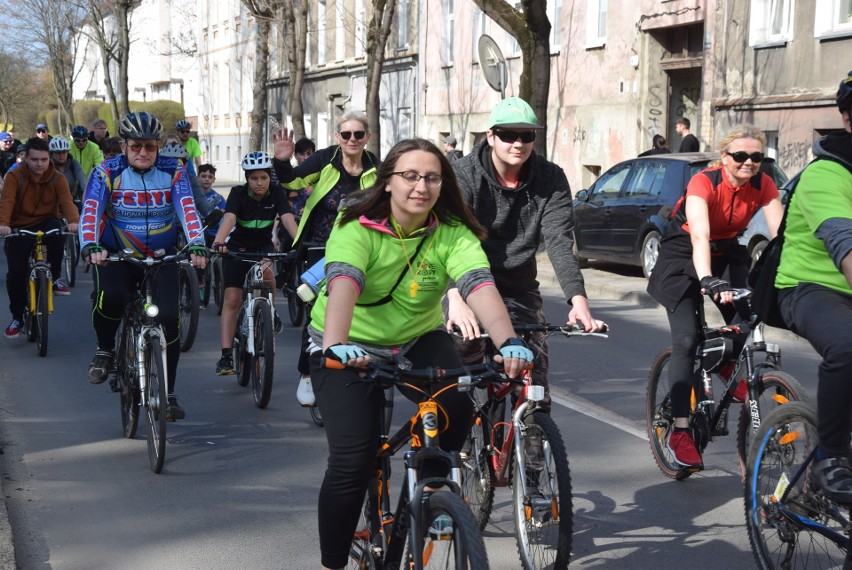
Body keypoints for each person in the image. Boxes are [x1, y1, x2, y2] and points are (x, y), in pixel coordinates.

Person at [307, 138, 533, 570]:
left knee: (457, 404)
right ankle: (332, 563)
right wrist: (336, 344)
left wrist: (508, 342)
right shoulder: (356, 225)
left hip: (415, 339)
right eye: (410, 176)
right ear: (387, 182)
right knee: (352, 462)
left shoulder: (450, 230)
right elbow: (344, 283)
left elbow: (479, 285)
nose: (421, 186)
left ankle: (431, 494)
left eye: (432, 177)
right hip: (347, 343)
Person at [446, 96, 606, 412]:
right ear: (490, 136)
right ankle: (462, 428)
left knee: (535, 380)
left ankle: (533, 453)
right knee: (464, 349)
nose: (518, 143)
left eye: (527, 135)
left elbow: (559, 241)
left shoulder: (550, 178)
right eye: (508, 135)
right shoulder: (463, 174)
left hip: (519, 288)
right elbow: (452, 239)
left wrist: (579, 302)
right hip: (467, 282)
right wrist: (454, 296)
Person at [646, 125, 784, 470]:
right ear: (724, 158)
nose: (748, 162)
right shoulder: (703, 182)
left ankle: (724, 362)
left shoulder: (763, 183)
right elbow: (699, 236)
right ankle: (679, 432)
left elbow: (781, 234)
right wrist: (707, 279)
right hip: (682, 252)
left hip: (726, 250)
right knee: (687, 340)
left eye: (756, 157)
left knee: (750, 317)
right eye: (740, 156)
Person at [79, 111, 208, 421]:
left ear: (159, 145)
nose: (143, 153)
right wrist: (90, 245)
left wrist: (197, 243)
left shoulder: (174, 171)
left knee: (169, 319)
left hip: (162, 256)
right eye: (136, 146)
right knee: (111, 296)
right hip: (117, 254)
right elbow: (91, 211)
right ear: (124, 145)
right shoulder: (106, 172)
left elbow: (187, 210)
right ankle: (105, 349)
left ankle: (170, 393)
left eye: (150, 146)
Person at [775, 71, 852, 502]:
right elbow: (845, 244)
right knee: (848, 346)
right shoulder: (828, 174)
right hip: (812, 287)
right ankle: (829, 458)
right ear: (846, 118)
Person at [272, 112, 381, 407]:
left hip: (361, 248)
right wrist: (282, 162)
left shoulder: (377, 169)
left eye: (359, 134)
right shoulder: (324, 160)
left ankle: (362, 362)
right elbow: (292, 184)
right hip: (320, 246)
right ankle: (307, 372)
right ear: (338, 137)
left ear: (367, 138)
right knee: (317, 309)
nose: (352, 140)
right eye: (346, 135)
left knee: (363, 305)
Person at [212, 152, 297, 375]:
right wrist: (219, 240)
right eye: (254, 178)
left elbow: (287, 218)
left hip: (262, 247)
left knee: (266, 272)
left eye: (263, 178)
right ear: (247, 179)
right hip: (237, 248)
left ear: (270, 178)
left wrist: (299, 243)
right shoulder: (237, 193)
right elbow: (229, 218)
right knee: (232, 298)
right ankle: (225, 356)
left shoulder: (277, 192)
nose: (259, 183)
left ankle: (270, 312)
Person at [0, 137, 79, 337]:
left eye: (44, 159)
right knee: (16, 274)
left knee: (57, 233)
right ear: (25, 158)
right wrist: (3, 224)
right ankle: (17, 316)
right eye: (35, 159)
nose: (40, 164)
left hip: (46, 221)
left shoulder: (57, 177)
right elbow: (7, 200)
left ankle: (53, 276)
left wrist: (74, 221)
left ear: (48, 158)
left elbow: (67, 201)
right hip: (19, 226)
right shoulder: (14, 177)